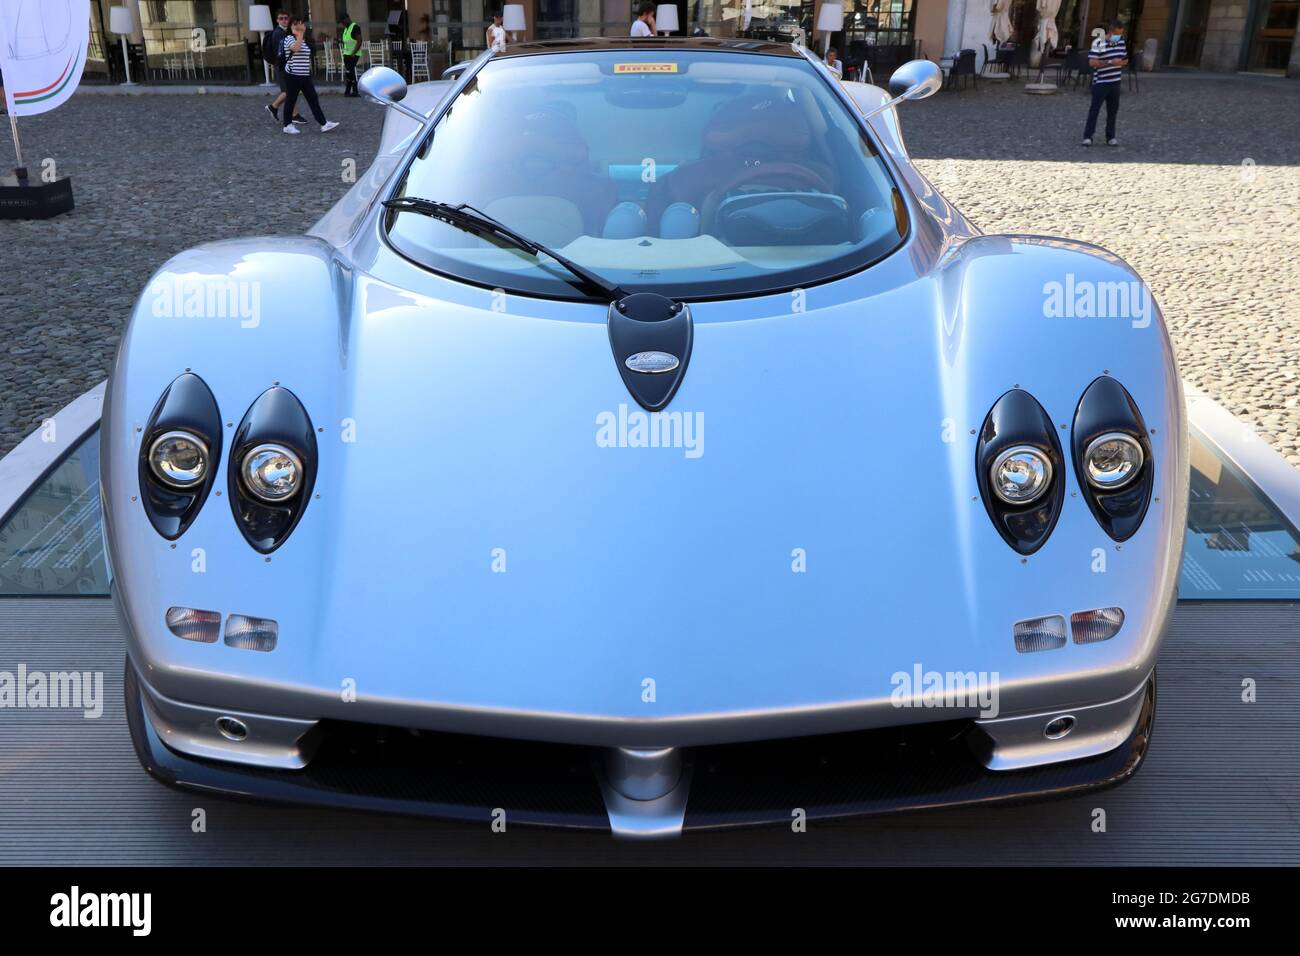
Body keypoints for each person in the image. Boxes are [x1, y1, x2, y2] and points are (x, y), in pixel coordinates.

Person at [281, 17, 339, 135]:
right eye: (295, 25)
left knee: (313, 99)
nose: (298, 26)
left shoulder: (304, 40)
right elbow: (296, 49)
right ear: (291, 28)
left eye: (301, 24)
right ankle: (287, 125)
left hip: (304, 75)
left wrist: (302, 36)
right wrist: (300, 34)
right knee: (291, 100)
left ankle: (324, 124)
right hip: (293, 75)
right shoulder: (288, 39)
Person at [1082, 19, 1128, 147]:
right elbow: (1092, 62)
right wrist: (1110, 62)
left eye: (1121, 34)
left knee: (1113, 112)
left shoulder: (1121, 42)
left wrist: (1121, 62)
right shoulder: (1098, 42)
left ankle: (1111, 137)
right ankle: (1088, 136)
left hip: (1115, 82)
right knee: (1094, 110)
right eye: (1117, 34)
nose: (1119, 37)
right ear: (1110, 32)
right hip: (1101, 82)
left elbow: (1125, 60)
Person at [264, 10, 305, 125]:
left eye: (286, 18)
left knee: (290, 90)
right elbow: (283, 51)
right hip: (283, 66)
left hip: (286, 65)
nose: (284, 20)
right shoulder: (278, 33)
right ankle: (274, 107)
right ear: (277, 20)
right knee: (288, 91)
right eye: (281, 18)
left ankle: (294, 114)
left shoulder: (284, 32)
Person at [339, 13, 362, 97]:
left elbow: (359, 41)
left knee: (350, 71)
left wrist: (353, 53)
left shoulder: (355, 27)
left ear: (347, 19)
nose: (342, 23)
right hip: (346, 54)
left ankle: (355, 91)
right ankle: (348, 91)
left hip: (354, 54)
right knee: (349, 72)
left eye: (342, 21)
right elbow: (347, 41)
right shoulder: (346, 29)